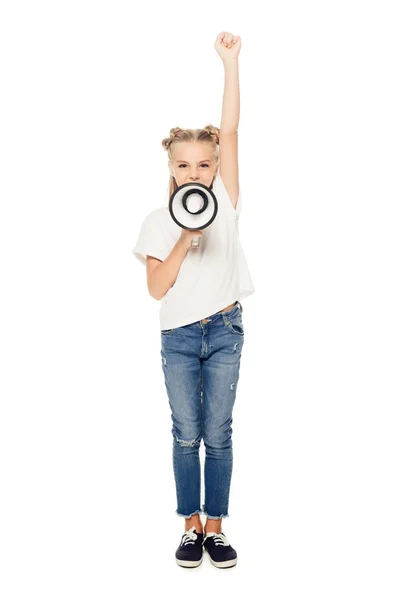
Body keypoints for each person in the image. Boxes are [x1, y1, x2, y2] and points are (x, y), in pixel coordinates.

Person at [132, 31, 255, 569]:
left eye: (204, 165)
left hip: (225, 329)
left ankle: (218, 527)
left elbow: (229, 130)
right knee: (187, 434)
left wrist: (229, 63)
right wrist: (185, 237)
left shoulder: (225, 202)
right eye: (185, 166)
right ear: (171, 171)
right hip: (179, 337)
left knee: (219, 433)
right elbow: (157, 289)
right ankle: (189, 528)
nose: (196, 173)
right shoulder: (159, 222)